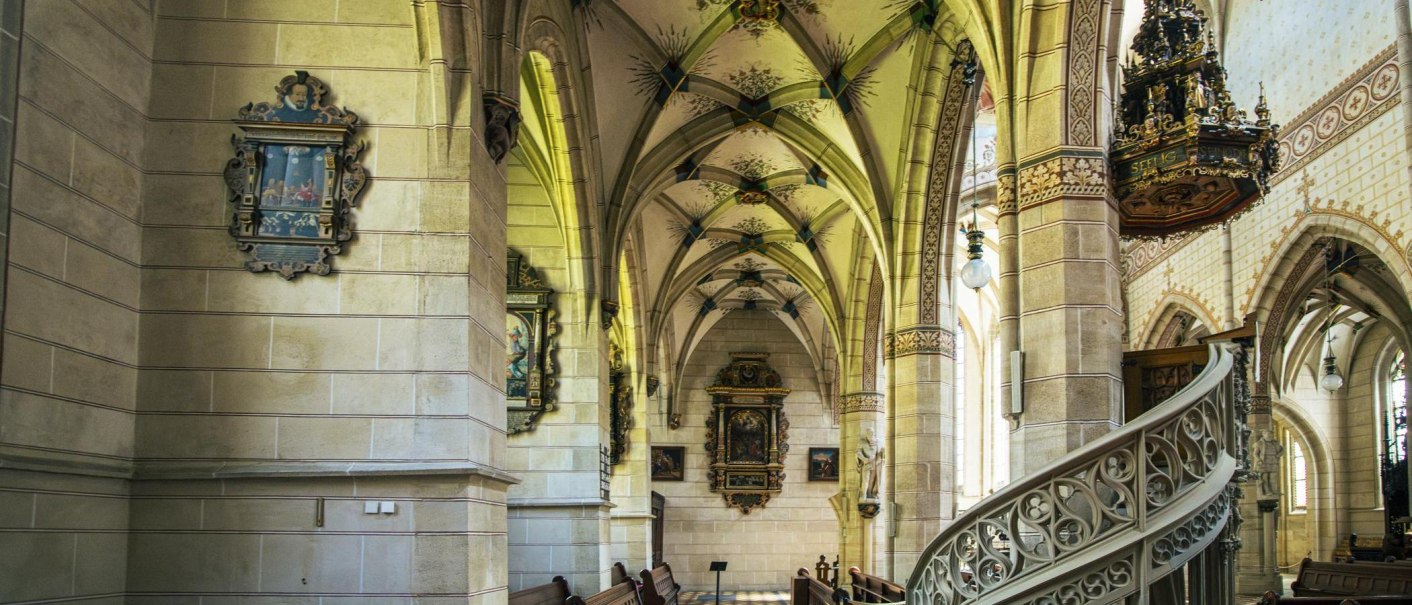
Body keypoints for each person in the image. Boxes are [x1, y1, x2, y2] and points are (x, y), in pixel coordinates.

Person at [857, 427, 884, 500]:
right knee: (866, 480)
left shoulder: (878, 442)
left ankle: (869, 493)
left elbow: (881, 452)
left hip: (875, 464)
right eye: (869, 433)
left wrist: (880, 458)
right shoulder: (862, 442)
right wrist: (864, 459)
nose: (871, 435)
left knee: (872, 480)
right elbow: (858, 452)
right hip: (867, 463)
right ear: (866, 435)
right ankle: (863, 495)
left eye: (872, 433)